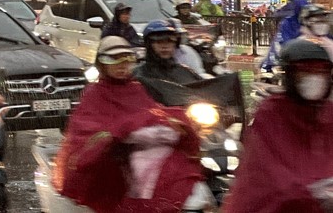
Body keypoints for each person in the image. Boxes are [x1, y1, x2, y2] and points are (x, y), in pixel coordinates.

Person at [53, 36, 203, 212]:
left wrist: (174, 123)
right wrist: (118, 133)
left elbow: (152, 113)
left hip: (147, 154)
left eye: (127, 59)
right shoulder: (95, 94)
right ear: (102, 64)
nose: (122, 65)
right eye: (114, 60)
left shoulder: (137, 88)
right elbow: (87, 132)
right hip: (115, 161)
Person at [224, 38, 333, 213]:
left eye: (321, 72)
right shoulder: (272, 113)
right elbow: (268, 173)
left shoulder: (329, 113)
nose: (314, 78)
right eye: (305, 73)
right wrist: (310, 192)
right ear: (290, 76)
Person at [134, 20, 202, 87]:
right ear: (149, 45)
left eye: (170, 41)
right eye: (159, 42)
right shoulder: (137, 75)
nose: (165, 46)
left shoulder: (185, 72)